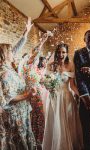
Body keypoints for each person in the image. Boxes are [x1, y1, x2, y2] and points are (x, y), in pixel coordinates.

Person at [0, 18, 36, 149]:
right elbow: (10, 98)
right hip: (14, 115)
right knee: (18, 142)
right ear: (4, 56)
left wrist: (25, 33)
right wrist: (28, 95)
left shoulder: (8, 67)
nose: (13, 53)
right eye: (9, 51)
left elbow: (16, 49)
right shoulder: (4, 73)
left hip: (21, 111)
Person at [42, 43, 83, 150]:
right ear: (56, 53)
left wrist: (82, 96)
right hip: (54, 97)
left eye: (63, 52)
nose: (61, 54)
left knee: (68, 122)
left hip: (66, 97)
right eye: (59, 52)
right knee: (54, 122)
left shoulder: (70, 65)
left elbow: (72, 85)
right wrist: (49, 87)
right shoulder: (51, 65)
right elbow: (45, 83)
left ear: (67, 53)